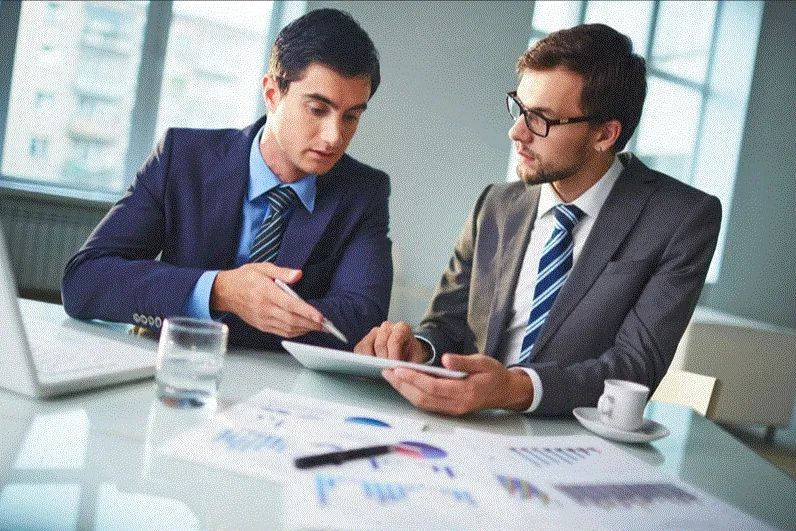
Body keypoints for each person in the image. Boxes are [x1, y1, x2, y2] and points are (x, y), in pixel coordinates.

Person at [354, 23, 721, 417]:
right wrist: (420, 349)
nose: (516, 132)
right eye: (520, 108)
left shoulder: (681, 219)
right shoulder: (494, 205)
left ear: (605, 135)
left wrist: (514, 389)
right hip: (462, 427)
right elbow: (446, 324)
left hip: (572, 440)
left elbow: (635, 367)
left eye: (541, 119)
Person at [62, 8, 393, 350]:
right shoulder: (182, 157)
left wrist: (194, 308)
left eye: (351, 117)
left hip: (279, 387)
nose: (333, 137)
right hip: (171, 366)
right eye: (317, 109)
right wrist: (219, 292)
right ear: (272, 94)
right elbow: (85, 281)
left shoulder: (363, 192)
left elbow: (361, 319)